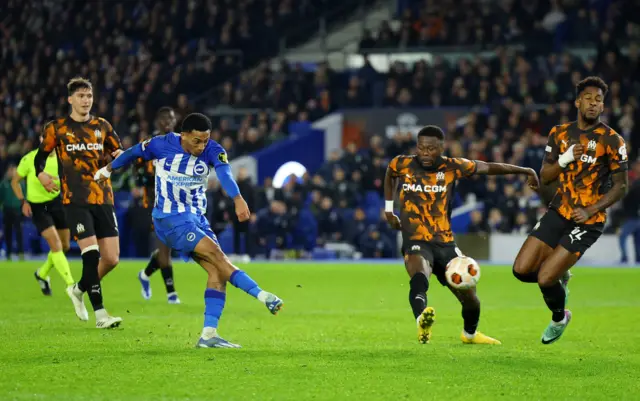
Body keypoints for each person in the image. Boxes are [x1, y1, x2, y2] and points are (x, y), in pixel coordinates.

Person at [95, 113, 283, 348]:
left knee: (217, 272)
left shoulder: (213, 150)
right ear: (183, 136)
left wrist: (237, 198)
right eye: (197, 141)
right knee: (217, 256)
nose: (201, 146)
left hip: (196, 219)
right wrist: (108, 170)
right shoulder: (161, 144)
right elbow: (133, 152)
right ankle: (264, 296)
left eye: (205, 140)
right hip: (170, 218)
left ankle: (208, 335)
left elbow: (224, 173)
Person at [384, 125, 540, 345]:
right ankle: (422, 320)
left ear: (441, 148)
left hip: (445, 242)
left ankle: (470, 335)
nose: (425, 153)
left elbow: (488, 167)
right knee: (419, 274)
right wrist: (389, 209)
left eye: (431, 149)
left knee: (470, 297)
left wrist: (525, 170)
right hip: (416, 238)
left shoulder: (453, 166)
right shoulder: (402, 163)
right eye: (421, 148)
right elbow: (390, 174)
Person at [513, 76, 629, 344]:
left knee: (544, 279)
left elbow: (621, 187)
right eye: (588, 98)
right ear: (578, 102)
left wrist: (591, 210)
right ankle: (559, 275)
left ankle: (559, 317)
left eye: (599, 100)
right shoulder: (560, 134)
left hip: (589, 221)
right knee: (520, 270)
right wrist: (565, 159)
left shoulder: (612, 140)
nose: (593, 103)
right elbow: (546, 174)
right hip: (559, 211)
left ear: (603, 106)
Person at [34, 77, 123, 329]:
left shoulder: (102, 126)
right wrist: (41, 174)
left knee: (112, 258)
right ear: (70, 99)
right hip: (75, 201)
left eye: (89, 96)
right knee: (91, 254)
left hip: (103, 198)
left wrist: (119, 159)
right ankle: (101, 314)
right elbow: (40, 158)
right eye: (81, 96)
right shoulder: (57, 128)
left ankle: (78, 288)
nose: (86, 100)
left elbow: (119, 153)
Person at [11, 136, 76, 297]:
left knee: (65, 245)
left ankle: (41, 273)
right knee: (56, 245)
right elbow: (15, 181)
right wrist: (22, 202)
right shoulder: (30, 158)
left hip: (56, 203)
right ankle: (71, 285)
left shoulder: (63, 159)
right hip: (38, 207)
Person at [135, 107, 181, 304]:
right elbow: (137, 167)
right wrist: (147, 178)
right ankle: (171, 293)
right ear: (158, 122)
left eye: (171, 118)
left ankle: (145, 274)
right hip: (155, 203)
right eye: (165, 118)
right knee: (165, 248)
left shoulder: (181, 142)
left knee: (169, 245)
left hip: (177, 201)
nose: (168, 122)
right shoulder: (149, 144)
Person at [0, 165, 24, 261]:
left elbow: (25, 196)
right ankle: (8, 253)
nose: (12, 173)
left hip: (18, 210)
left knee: (19, 232)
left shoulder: (21, 183)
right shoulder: (3, 184)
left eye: (14, 171)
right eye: (10, 171)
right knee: (8, 232)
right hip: (7, 210)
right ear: (7, 172)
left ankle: (21, 252)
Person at [618, 160, 640, 264]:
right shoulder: (633, 181)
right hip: (633, 215)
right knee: (637, 240)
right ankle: (638, 258)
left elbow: (627, 197)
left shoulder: (634, 183)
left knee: (623, 236)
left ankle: (625, 257)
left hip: (633, 216)